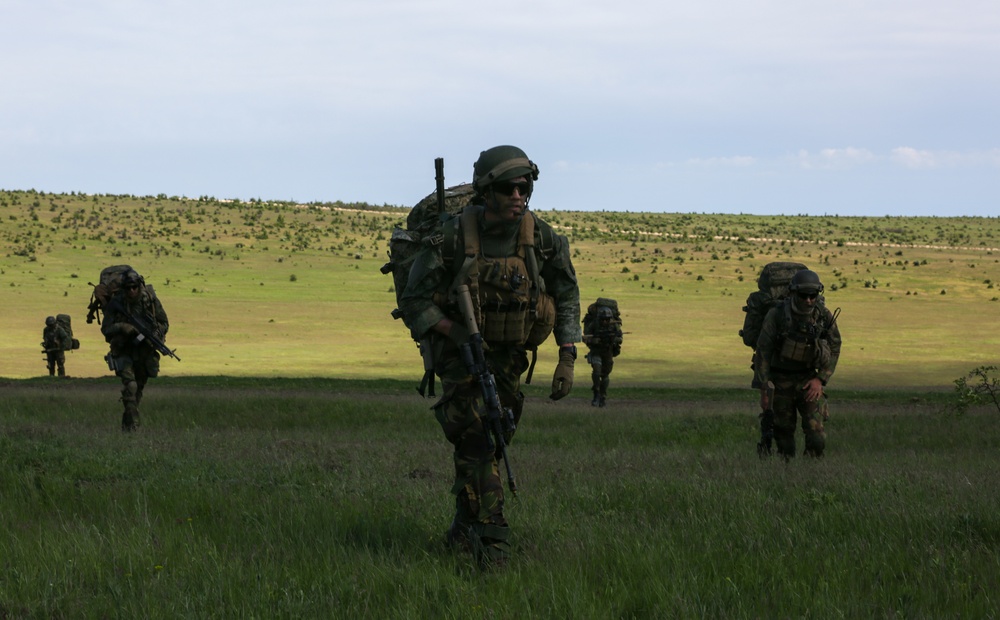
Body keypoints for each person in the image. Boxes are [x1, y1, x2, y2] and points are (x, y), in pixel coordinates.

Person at [400, 145, 581, 568]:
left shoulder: (541, 238)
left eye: (525, 186)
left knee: (495, 437)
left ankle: (463, 530)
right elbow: (415, 301)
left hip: (512, 354)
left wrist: (567, 355)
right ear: (486, 191)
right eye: (507, 187)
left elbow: (567, 292)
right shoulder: (451, 238)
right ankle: (493, 544)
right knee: (477, 439)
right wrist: (453, 329)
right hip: (460, 353)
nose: (518, 195)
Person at [755, 269, 841, 460]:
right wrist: (765, 388)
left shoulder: (822, 316)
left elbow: (835, 347)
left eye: (813, 295)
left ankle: (810, 475)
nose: (809, 300)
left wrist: (821, 379)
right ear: (793, 293)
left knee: (817, 436)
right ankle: (787, 475)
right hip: (780, 381)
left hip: (809, 381)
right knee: (784, 438)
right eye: (804, 295)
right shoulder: (776, 315)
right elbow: (763, 351)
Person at [100, 269, 169, 432]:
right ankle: (134, 428)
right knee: (130, 386)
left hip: (144, 351)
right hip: (123, 350)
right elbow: (106, 329)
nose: (132, 291)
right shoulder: (117, 303)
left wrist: (154, 333)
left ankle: (126, 427)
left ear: (139, 286)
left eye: (135, 287)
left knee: (137, 391)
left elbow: (164, 323)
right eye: (129, 288)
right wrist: (123, 327)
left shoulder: (150, 301)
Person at [582, 303, 623, 407]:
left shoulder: (614, 325)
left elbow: (620, 338)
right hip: (596, 351)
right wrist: (593, 340)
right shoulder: (594, 325)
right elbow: (585, 337)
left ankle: (602, 396)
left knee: (605, 376)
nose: (605, 321)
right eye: (603, 319)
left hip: (607, 353)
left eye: (607, 319)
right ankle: (596, 393)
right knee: (596, 371)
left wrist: (613, 339)